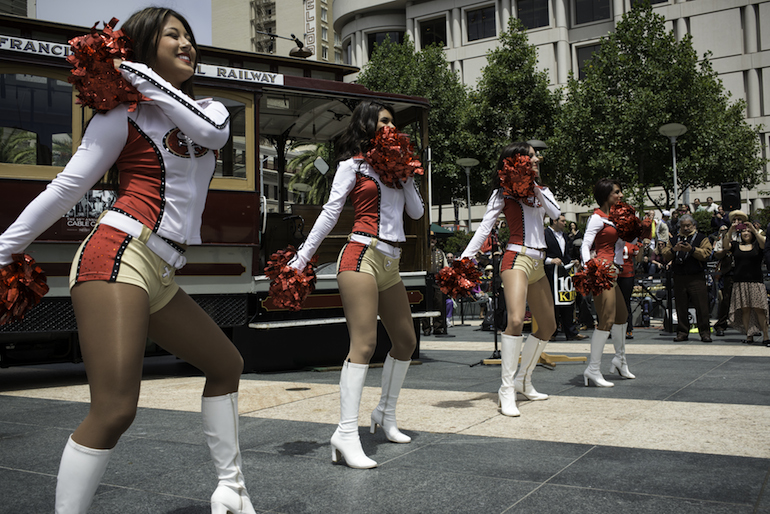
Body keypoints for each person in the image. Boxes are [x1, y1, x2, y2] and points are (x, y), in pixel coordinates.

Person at [0, 8, 258, 514]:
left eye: (189, 37)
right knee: (115, 409)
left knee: (226, 364)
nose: (187, 44)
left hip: (160, 269)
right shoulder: (121, 116)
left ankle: (232, 489)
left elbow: (212, 135)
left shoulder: (209, 108)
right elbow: (68, 188)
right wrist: (5, 247)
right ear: (142, 46)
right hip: (118, 253)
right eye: (172, 35)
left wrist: (133, 71)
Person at [289, 100, 424, 468]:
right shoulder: (353, 166)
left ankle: (385, 413)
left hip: (390, 262)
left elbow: (416, 213)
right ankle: (346, 433)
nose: (390, 127)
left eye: (393, 122)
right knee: (363, 344)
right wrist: (302, 258)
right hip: (361, 255)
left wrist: (407, 174)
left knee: (406, 341)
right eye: (383, 121)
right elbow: (331, 211)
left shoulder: (398, 172)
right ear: (366, 125)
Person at [460, 142, 560, 416]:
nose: (536, 158)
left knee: (548, 326)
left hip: (539, 261)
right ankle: (505, 390)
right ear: (516, 162)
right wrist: (464, 258)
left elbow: (556, 213)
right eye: (530, 156)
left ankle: (523, 380)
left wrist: (534, 184)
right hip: (515, 257)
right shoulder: (501, 193)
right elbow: (484, 229)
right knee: (515, 320)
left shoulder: (542, 191)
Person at [580, 179, 633, 386]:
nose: (620, 196)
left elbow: (622, 245)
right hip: (602, 271)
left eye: (621, 192)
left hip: (614, 271)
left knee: (622, 316)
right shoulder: (596, 218)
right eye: (616, 193)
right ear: (606, 195)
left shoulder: (614, 218)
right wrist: (590, 268)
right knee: (607, 320)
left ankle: (620, 360)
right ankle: (593, 369)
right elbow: (585, 245)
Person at [660, 214, 713, 343]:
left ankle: (705, 332)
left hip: (696, 276)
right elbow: (665, 254)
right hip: (679, 276)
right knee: (681, 306)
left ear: (693, 225)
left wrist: (692, 249)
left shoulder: (701, 238)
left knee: (701, 306)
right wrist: (674, 250)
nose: (686, 228)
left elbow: (706, 253)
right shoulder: (674, 239)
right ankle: (682, 332)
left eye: (688, 225)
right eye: (683, 226)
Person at [724, 212, 769, 344]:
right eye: (744, 231)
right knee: (745, 310)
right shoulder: (736, 246)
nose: (746, 233)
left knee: (759, 309)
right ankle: (749, 335)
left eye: (748, 231)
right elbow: (726, 245)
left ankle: (766, 336)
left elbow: (764, 243)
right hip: (740, 282)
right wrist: (731, 230)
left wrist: (754, 230)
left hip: (755, 282)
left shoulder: (757, 246)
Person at [544, 214, 585, 341]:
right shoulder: (544, 234)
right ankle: (551, 331)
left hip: (564, 275)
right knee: (552, 303)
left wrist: (573, 261)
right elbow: (539, 254)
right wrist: (550, 260)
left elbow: (566, 254)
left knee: (567, 301)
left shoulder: (564, 236)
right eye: (562, 221)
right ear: (554, 221)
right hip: (550, 273)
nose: (565, 223)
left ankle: (571, 331)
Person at [712, 224, 735, 336]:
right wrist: (726, 250)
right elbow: (717, 254)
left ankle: (751, 326)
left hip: (744, 270)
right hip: (728, 271)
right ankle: (721, 324)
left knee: (746, 299)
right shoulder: (724, 237)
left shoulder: (746, 234)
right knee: (726, 299)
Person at [422, 233, 448, 335]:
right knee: (426, 304)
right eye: (430, 238)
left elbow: (445, 266)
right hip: (425, 279)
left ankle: (438, 327)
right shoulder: (423, 252)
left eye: (434, 239)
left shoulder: (440, 252)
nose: (432, 240)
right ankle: (426, 328)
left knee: (439, 303)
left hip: (438, 280)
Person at [618, 241, 640, 340]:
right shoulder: (613, 240)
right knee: (612, 302)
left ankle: (628, 328)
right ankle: (610, 328)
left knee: (625, 301)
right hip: (614, 274)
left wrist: (641, 248)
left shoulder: (632, 242)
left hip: (627, 274)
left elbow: (639, 259)